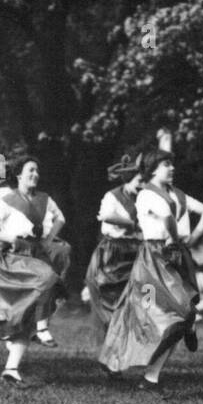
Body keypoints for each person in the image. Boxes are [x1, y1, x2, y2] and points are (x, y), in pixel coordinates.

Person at [99, 147, 203, 396]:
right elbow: (168, 219)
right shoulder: (147, 195)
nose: (171, 168)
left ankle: (151, 377)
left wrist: (191, 238)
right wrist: (178, 238)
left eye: (171, 164)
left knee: (174, 314)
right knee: (160, 314)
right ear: (152, 169)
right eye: (166, 165)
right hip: (155, 259)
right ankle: (187, 325)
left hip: (173, 254)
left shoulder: (177, 194)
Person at [0, 158, 68, 388]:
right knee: (46, 280)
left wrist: (48, 238)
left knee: (28, 315)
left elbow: (61, 218)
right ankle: (21, 328)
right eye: (30, 170)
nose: (35, 174)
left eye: (37, 170)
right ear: (18, 176)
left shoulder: (45, 199)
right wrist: (11, 238)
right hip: (13, 260)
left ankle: (11, 369)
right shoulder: (5, 199)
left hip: (36, 256)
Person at [84, 154, 144, 368]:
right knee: (110, 305)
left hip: (136, 252)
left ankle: (117, 355)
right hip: (113, 254)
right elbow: (106, 216)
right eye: (139, 181)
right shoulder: (112, 196)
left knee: (134, 304)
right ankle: (111, 356)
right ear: (129, 179)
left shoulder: (144, 197)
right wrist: (133, 223)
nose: (142, 185)